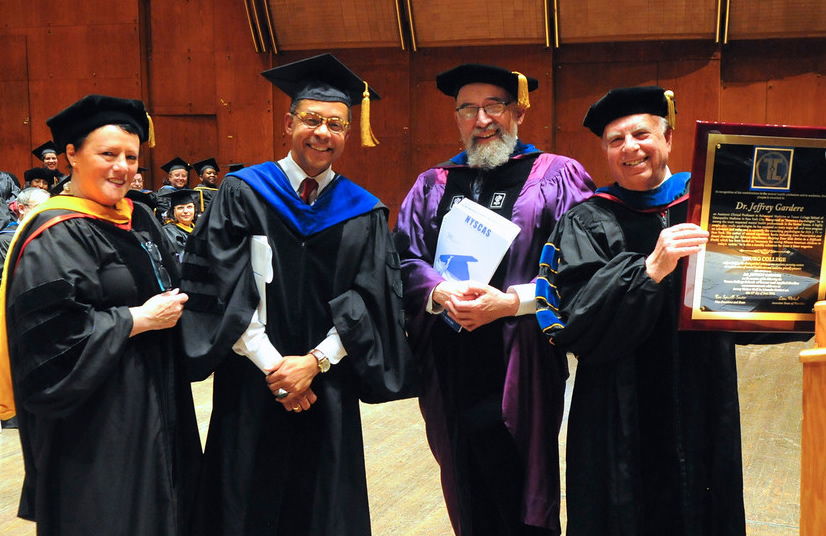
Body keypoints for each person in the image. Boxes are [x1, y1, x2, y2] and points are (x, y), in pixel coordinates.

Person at [534, 86, 807, 536]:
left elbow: (754, 293)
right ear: (604, 151)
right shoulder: (586, 221)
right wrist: (649, 270)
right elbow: (575, 322)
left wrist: (800, 298)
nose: (630, 148)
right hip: (615, 407)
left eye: (641, 134)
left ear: (669, 139)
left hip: (702, 390)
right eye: (615, 140)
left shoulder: (712, 209)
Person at [178, 53, 417, 536]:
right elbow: (222, 285)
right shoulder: (242, 192)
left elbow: (372, 300)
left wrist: (314, 362)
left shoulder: (363, 212)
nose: (322, 133)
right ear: (288, 123)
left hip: (326, 386)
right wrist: (275, 366)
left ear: (349, 132)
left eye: (335, 123)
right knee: (245, 500)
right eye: (311, 119)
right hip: (252, 381)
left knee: (321, 507)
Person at [395, 63, 595, 536]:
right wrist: (436, 290)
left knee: (521, 482)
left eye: (494, 106)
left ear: (518, 112)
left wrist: (511, 303)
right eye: (468, 109)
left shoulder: (558, 174)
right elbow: (403, 257)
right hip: (448, 357)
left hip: (522, 356)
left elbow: (584, 264)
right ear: (457, 118)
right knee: (465, 477)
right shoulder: (434, 183)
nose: (481, 120)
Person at [0, 94, 201, 535]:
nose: (122, 167)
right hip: (94, 420)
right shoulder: (55, 233)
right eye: (107, 154)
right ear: (71, 155)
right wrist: (137, 319)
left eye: (131, 156)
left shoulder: (142, 218)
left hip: (159, 398)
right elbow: (50, 343)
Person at [0, 187, 50, 266]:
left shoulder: (52, 234)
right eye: (38, 207)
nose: (45, 213)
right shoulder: (5, 240)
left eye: (48, 208)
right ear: (21, 209)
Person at [161, 188, 197, 259]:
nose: (186, 211)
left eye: (189, 207)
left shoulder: (198, 228)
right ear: (173, 212)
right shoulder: (169, 232)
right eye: (180, 208)